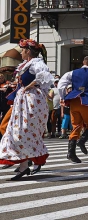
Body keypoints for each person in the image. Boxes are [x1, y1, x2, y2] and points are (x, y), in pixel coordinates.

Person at [0, 39, 53, 179]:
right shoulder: (26, 64)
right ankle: (24, 166)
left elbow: (45, 76)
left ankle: (30, 163)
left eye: (23, 50)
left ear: (28, 51)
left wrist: (31, 85)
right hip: (23, 100)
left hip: (31, 101)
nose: (21, 53)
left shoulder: (37, 63)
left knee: (25, 131)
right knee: (17, 131)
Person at [58, 56, 88, 164]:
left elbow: (61, 85)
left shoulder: (72, 73)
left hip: (74, 100)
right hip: (85, 101)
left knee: (76, 126)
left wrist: (63, 96)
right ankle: (81, 141)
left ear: (83, 62)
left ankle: (71, 152)